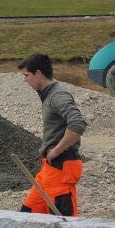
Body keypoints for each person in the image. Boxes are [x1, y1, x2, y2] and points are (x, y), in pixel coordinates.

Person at [17, 54, 87, 216]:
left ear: (38, 73)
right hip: (49, 170)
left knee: (63, 223)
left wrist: (57, 150)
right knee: (28, 214)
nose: (25, 80)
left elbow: (78, 123)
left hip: (62, 168)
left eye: (27, 75)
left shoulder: (58, 95)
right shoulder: (49, 95)